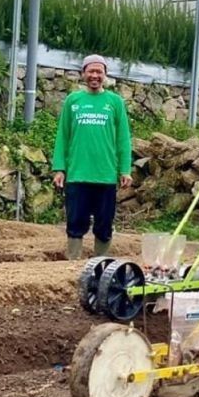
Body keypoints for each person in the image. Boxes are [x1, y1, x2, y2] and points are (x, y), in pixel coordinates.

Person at [52, 54, 133, 260]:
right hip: (78, 174)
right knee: (75, 222)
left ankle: (100, 264)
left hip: (105, 175)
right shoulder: (73, 101)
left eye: (99, 72)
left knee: (104, 223)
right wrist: (59, 168)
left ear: (105, 75)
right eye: (91, 71)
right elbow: (63, 136)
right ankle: (73, 262)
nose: (95, 75)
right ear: (83, 74)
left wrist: (125, 169)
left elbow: (123, 139)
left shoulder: (114, 102)